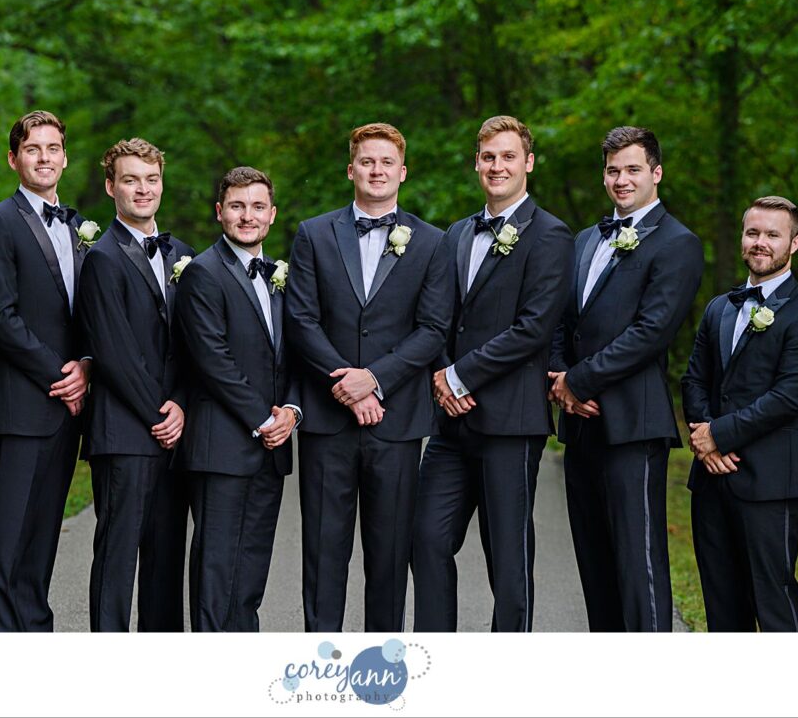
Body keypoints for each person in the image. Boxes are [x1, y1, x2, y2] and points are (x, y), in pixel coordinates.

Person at [285, 123, 451, 632]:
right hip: (327, 422)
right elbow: (301, 319)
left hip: (396, 423)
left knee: (389, 557)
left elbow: (433, 328)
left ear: (403, 172)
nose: (376, 171)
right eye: (366, 162)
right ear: (350, 169)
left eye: (386, 163)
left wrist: (375, 379)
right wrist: (348, 387)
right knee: (323, 554)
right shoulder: (314, 233)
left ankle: (382, 664)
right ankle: (323, 660)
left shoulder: (432, 242)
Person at [411, 116, 573, 632]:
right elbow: (436, 318)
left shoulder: (550, 235)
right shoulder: (457, 233)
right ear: (476, 164)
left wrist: (459, 376)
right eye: (488, 157)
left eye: (507, 156)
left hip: (511, 422)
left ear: (528, 163)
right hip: (451, 425)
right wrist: (441, 374)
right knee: (426, 538)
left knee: (508, 556)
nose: (496, 166)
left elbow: (533, 328)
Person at [549, 125, 703, 632]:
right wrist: (560, 379)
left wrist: (580, 381)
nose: (622, 179)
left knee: (639, 567)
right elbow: (561, 320)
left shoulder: (678, 243)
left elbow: (650, 333)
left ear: (656, 173)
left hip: (633, 425)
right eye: (613, 170)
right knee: (594, 565)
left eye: (633, 169)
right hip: (580, 425)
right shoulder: (585, 239)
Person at [681, 196, 798, 631]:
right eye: (753, 233)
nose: (760, 242)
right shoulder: (719, 307)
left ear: (794, 243)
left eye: (772, 235)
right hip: (711, 483)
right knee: (722, 610)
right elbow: (694, 380)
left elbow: (789, 398)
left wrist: (718, 436)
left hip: (772, 484)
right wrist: (705, 441)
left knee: (774, 606)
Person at [0, 110, 91, 631]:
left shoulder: (80, 227)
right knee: (8, 537)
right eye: (32, 149)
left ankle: (35, 634)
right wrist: (60, 374)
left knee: (43, 535)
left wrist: (86, 365)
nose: (44, 158)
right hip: (21, 405)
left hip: (66, 410)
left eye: (52, 148)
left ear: (65, 158)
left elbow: (88, 314)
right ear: (13, 159)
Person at [75, 138, 194, 632]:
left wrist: (181, 405)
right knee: (118, 558)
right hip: (124, 432)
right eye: (130, 180)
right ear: (111, 187)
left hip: (174, 433)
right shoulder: (102, 258)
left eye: (151, 179)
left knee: (167, 560)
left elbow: (194, 345)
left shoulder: (182, 255)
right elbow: (113, 352)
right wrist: (160, 415)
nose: (142, 189)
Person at [177, 166, 300, 632]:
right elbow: (213, 360)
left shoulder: (279, 277)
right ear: (219, 212)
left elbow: (294, 356)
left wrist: (291, 412)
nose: (247, 216)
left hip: (270, 449)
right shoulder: (203, 273)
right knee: (217, 569)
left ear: (272, 214)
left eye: (257, 206)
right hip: (223, 447)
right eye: (237, 206)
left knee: (250, 573)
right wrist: (264, 420)